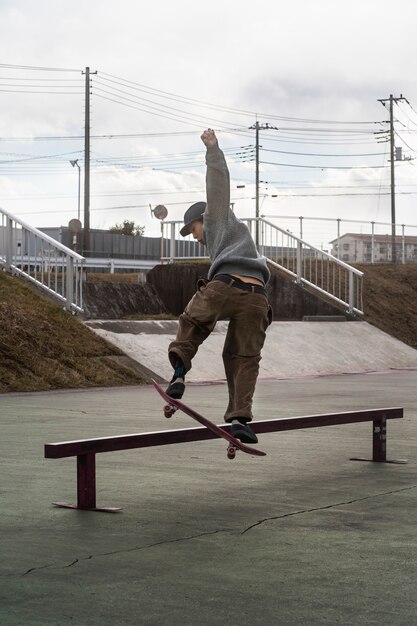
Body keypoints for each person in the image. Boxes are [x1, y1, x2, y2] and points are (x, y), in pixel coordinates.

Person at [166, 128, 271, 444]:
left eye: (193, 229)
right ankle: (240, 418)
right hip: (257, 299)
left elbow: (218, 186)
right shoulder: (231, 235)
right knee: (242, 357)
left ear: (203, 218)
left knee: (192, 322)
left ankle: (179, 374)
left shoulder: (216, 216)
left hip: (226, 286)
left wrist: (213, 150)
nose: (196, 236)